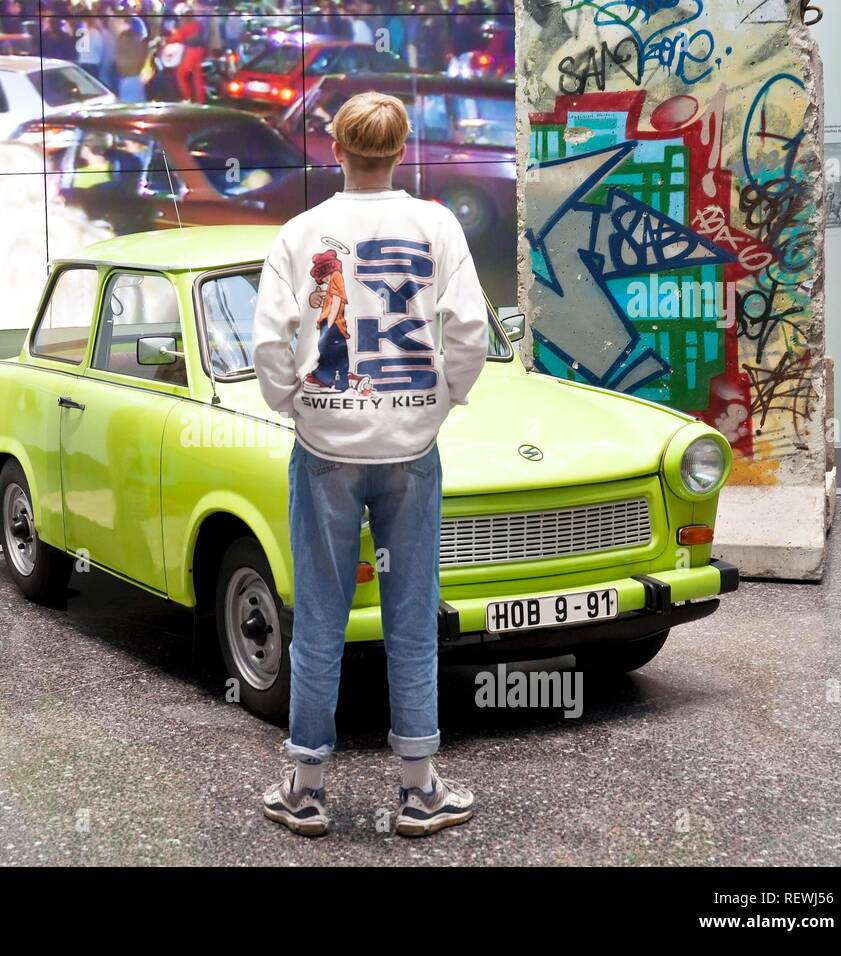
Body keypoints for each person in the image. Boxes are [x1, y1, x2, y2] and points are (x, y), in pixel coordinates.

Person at [251, 92, 490, 838]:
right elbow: (471, 329)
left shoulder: (301, 232)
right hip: (412, 450)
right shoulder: (438, 224)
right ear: (402, 148)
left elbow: (268, 343)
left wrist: (293, 402)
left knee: (319, 613)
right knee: (410, 614)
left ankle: (305, 788)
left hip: (324, 449)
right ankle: (420, 791)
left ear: (334, 147)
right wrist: (443, 399)